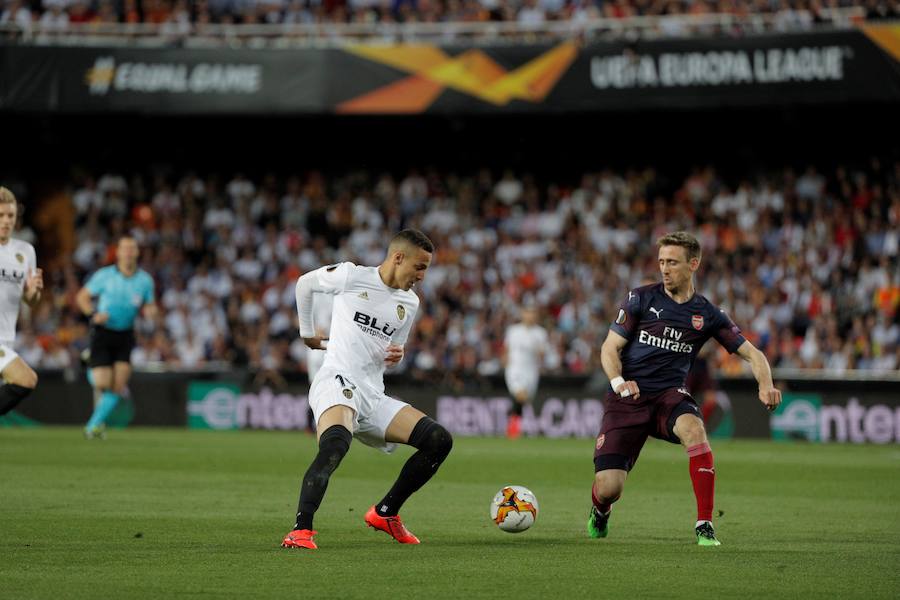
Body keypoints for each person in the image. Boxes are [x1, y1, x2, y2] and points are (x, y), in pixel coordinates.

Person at [590, 231, 781, 546]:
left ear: (693, 264)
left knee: (695, 430)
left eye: (672, 263)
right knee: (610, 487)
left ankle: (704, 524)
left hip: (668, 396)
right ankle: (600, 511)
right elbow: (610, 348)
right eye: (662, 261)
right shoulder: (640, 298)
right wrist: (618, 382)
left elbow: (752, 353)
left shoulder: (706, 314)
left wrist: (766, 384)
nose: (664, 269)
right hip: (628, 396)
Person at [283, 229, 453, 550]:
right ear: (397, 257)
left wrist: (398, 355)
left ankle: (385, 513)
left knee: (438, 440)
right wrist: (307, 334)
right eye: (419, 267)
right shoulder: (351, 276)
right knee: (335, 444)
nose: (422, 276)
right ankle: (301, 530)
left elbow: (391, 354)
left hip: (373, 394)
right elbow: (304, 284)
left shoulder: (409, 303)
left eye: (426, 269)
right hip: (337, 380)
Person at [75, 235, 156, 439]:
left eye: (132, 248)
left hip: (126, 334)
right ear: (118, 253)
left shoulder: (145, 280)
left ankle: (92, 427)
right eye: (125, 248)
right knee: (102, 383)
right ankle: (88, 364)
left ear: (137, 252)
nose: (129, 252)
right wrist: (93, 314)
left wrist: (151, 311)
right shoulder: (105, 275)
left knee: (117, 386)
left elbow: (150, 304)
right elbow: (82, 297)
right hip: (104, 332)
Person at [0, 187, 42, 417]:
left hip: (7, 338)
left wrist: (34, 292)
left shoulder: (25, 251)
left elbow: (31, 300)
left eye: (10, 216)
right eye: (1, 216)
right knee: (26, 379)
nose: (6, 221)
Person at [502, 305, 548, 439]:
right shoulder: (513, 331)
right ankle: (514, 428)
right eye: (528, 312)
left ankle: (512, 420)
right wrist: (504, 361)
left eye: (533, 313)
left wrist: (538, 351)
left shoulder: (540, 333)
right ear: (523, 314)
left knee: (524, 400)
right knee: (520, 395)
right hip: (515, 369)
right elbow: (506, 349)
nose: (530, 316)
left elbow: (542, 355)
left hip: (531, 371)